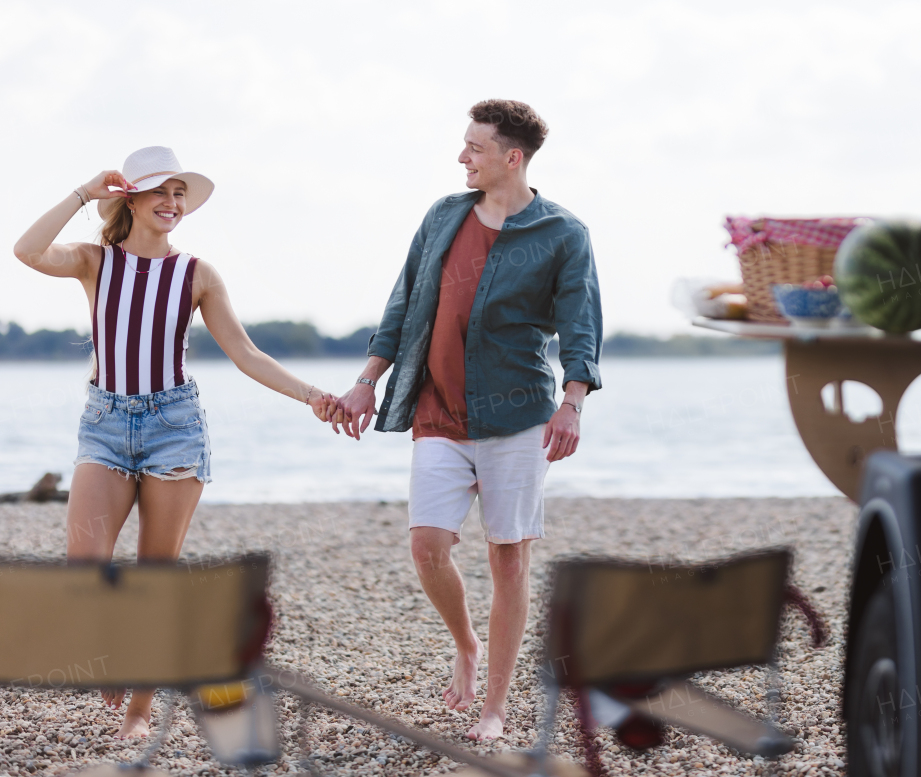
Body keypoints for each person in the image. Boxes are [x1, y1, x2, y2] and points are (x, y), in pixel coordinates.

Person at [12, 146, 339, 738]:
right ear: (130, 199)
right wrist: (86, 192)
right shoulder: (94, 261)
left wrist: (312, 394)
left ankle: (139, 714)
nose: (172, 202)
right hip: (105, 425)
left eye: (180, 193)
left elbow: (245, 353)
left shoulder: (197, 274)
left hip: (175, 428)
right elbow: (26, 250)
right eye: (160, 191)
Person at [332, 100, 602, 740]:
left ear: (512, 157)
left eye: (474, 148)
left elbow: (580, 325)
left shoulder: (563, 233)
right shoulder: (443, 216)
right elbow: (403, 303)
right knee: (427, 546)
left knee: (509, 558)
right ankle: (466, 644)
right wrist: (368, 381)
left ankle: (496, 707)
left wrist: (573, 403)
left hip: (518, 417)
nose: (462, 157)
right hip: (437, 412)